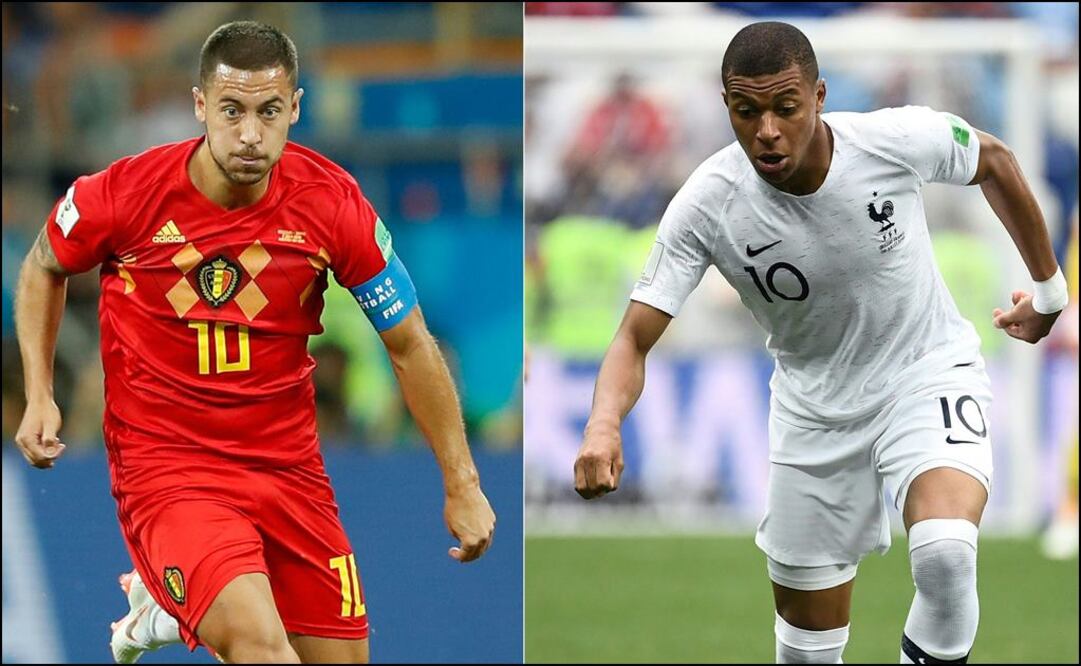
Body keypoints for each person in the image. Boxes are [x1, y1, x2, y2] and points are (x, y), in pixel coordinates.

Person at [573, 21, 1068, 665]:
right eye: (746, 111)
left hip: (926, 374)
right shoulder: (706, 205)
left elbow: (993, 160)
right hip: (814, 415)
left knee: (946, 554)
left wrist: (1050, 291)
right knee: (809, 649)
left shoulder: (892, 141)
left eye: (786, 107)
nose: (767, 130)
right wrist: (603, 424)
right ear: (726, 106)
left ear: (819, 96)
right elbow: (634, 338)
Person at [14, 20, 495, 665]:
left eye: (269, 111)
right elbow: (43, 266)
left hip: (289, 472)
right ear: (200, 106)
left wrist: (463, 481)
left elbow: (409, 343)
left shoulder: (332, 204)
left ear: (295, 108)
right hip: (170, 469)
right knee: (263, 650)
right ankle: (179, 591)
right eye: (232, 111)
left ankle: (167, 607)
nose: (249, 134)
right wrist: (40, 393)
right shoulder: (126, 194)